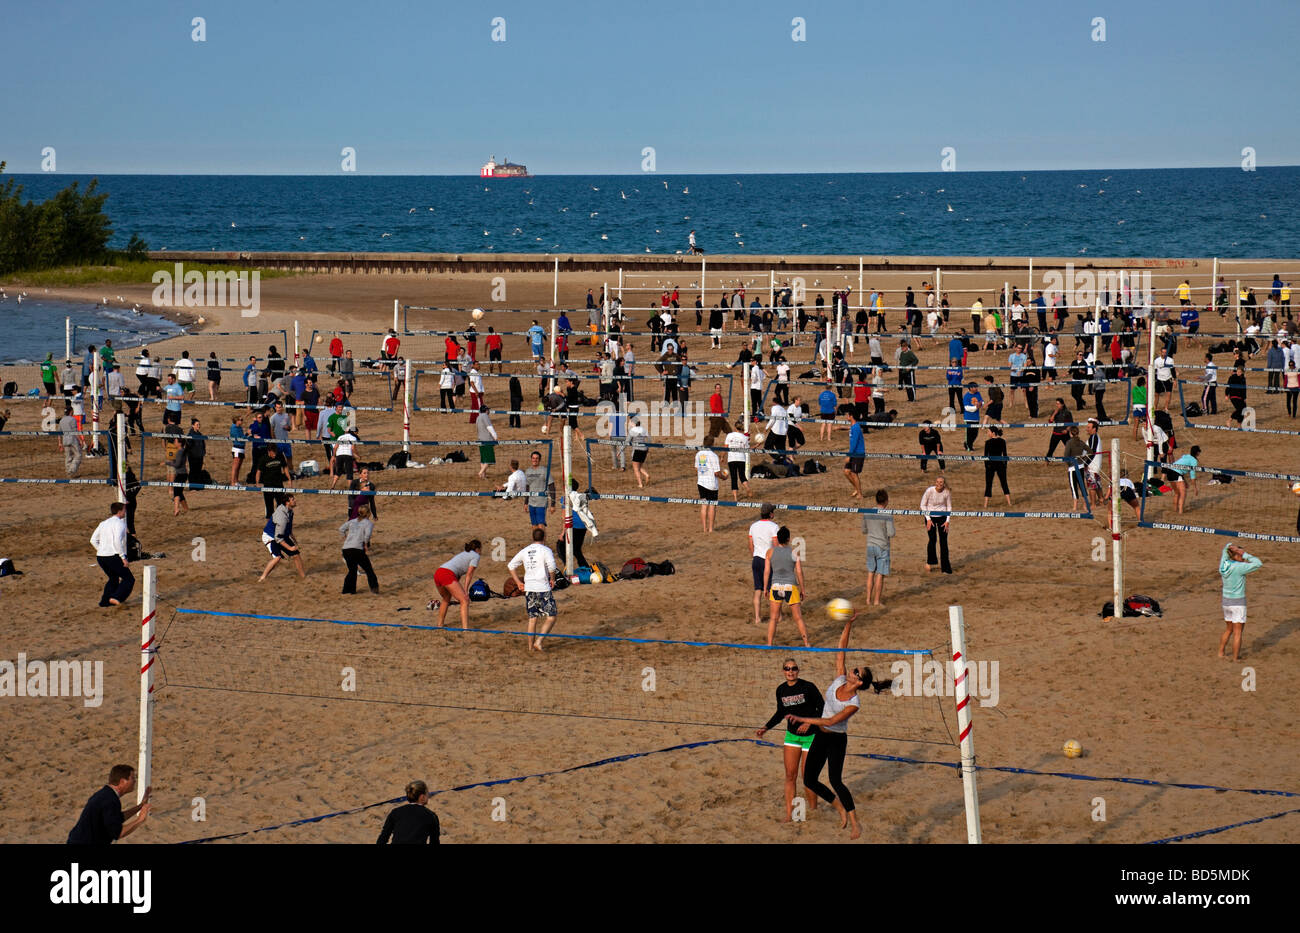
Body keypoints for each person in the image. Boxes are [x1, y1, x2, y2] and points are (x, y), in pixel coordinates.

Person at [784, 613, 871, 840]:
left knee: (836, 780)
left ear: (859, 682)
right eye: (854, 669)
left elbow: (831, 721)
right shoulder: (840, 679)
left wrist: (804, 720)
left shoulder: (854, 703)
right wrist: (848, 625)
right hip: (820, 737)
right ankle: (839, 808)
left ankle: (854, 823)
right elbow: (841, 649)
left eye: (856, 672)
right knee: (809, 779)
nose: (852, 670)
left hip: (835, 739)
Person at [755, 659, 823, 823]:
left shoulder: (808, 687)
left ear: (798, 671)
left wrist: (808, 722)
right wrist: (766, 727)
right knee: (790, 776)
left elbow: (822, 707)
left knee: (808, 778)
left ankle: (814, 811)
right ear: (783, 671)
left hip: (811, 736)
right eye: (787, 668)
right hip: (792, 736)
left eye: (793, 668)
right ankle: (789, 814)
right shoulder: (781, 690)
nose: (790, 671)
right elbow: (780, 712)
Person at [67, 763, 151, 844]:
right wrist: (140, 820)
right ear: (122, 781)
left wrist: (140, 806)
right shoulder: (110, 800)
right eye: (132, 778)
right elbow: (118, 833)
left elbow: (117, 818)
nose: (135, 781)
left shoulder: (106, 794)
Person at [508, 528, 559, 651]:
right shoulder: (546, 550)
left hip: (530, 588)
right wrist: (552, 579)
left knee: (532, 619)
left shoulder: (525, 551)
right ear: (544, 538)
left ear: (533, 537)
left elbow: (511, 565)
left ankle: (530, 648)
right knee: (552, 616)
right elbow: (552, 566)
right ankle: (539, 641)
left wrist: (518, 582)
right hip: (542, 587)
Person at [763, 527, 809, 648]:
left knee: (773, 618)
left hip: (776, 586)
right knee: (798, 618)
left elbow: (767, 572)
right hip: (790, 586)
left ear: (777, 539)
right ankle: (806, 643)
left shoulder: (770, 552)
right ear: (788, 539)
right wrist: (803, 590)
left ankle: (769, 644)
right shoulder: (794, 553)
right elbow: (799, 572)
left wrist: (765, 588)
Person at [1218, 544, 1263, 662]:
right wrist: (1245, 554)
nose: (1243, 557)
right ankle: (1235, 658)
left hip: (1226, 602)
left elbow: (1224, 551)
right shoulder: (1240, 567)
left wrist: (1231, 547)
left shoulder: (1224, 564)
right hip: (1238, 602)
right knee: (1238, 632)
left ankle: (1221, 652)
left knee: (1229, 629)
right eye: (1241, 555)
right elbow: (1258, 563)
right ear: (1236, 555)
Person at [90, 502, 134, 607]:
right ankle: (116, 597)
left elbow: (93, 540)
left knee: (113, 578)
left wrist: (101, 549)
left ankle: (105, 602)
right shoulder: (120, 524)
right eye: (124, 510)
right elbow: (117, 542)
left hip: (101, 557)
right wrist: (123, 557)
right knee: (129, 579)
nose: (125, 512)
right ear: (119, 511)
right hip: (113, 556)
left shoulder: (103, 523)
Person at [431, 540, 481, 630]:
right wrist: (465, 590)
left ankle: (439, 625)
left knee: (446, 598)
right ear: (477, 549)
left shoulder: (464, 553)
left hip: (438, 572)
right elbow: (469, 574)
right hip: (447, 574)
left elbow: (456, 573)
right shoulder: (476, 556)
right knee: (465, 600)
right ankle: (465, 629)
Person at [258, 493, 305, 581]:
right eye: (292, 499)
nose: (295, 501)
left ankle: (303, 576)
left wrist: (294, 540)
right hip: (270, 536)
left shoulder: (290, 511)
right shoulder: (282, 517)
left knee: (296, 555)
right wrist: (290, 548)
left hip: (281, 534)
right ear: (287, 503)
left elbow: (288, 528)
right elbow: (278, 538)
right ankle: (262, 577)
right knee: (277, 558)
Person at [748, 503, 781, 628]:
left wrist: (754, 555)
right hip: (769, 560)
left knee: (758, 590)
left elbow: (750, 544)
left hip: (756, 559)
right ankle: (778, 616)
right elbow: (776, 545)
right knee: (774, 589)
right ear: (771, 514)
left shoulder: (753, 526)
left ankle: (757, 618)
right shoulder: (774, 527)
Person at [376, 779, 439, 844]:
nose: (428, 796)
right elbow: (435, 841)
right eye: (427, 793)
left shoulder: (395, 812)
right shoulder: (431, 815)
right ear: (422, 797)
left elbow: (383, 838)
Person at [862, 489, 895, 605]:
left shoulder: (867, 512)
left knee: (870, 573)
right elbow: (891, 533)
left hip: (870, 546)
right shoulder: (887, 514)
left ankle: (867, 600)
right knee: (880, 574)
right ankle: (876, 601)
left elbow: (864, 530)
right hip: (882, 547)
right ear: (886, 501)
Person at [339, 504, 378, 594]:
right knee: (368, 569)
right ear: (368, 514)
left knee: (352, 570)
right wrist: (365, 544)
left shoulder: (352, 521)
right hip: (357, 549)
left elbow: (341, 529)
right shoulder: (368, 523)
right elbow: (367, 535)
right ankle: (374, 589)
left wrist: (344, 537)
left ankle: (348, 590)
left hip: (346, 549)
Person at [920, 474, 953, 574]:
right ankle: (930, 562)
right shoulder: (929, 490)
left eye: (941, 482)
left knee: (943, 542)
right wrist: (928, 519)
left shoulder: (946, 492)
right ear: (935, 483)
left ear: (944, 484)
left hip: (942, 517)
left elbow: (949, 507)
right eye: (937, 482)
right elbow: (922, 505)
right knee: (932, 539)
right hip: (930, 517)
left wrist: (947, 521)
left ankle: (946, 569)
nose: (939, 484)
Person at [254, 443, 291, 520]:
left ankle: (279, 521)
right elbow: (258, 472)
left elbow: (285, 467)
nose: (275, 454)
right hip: (268, 485)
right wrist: (257, 483)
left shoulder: (280, 455)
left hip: (279, 484)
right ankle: (269, 527)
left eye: (276, 452)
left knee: (281, 505)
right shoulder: (263, 459)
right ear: (269, 451)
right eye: (273, 452)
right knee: (269, 508)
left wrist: (289, 479)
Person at [694, 442, 724, 533]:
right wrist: (724, 477)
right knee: (712, 506)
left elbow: (696, 468)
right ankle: (711, 529)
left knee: (704, 505)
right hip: (711, 484)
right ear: (713, 444)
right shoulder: (713, 455)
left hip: (701, 482)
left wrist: (704, 471)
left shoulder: (699, 454)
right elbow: (717, 473)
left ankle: (704, 529)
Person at [567, 477, 598, 566]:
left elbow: (564, 517)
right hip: (584, 524)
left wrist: (563, 532)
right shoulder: (579, 496)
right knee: (576, 548)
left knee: (566, 547)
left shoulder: (566, 498)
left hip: (576, 525)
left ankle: (581, 567)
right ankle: (583, 566)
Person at [1163, 444, 1201, 515]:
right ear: (1197, 453)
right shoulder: (1194, 461)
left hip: (1170, 472)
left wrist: (1185, 482)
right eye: (1199, 452)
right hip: (1176, 473)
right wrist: (1195, 488)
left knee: (1177, 493)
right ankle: (1180, 512)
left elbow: (1180, 470)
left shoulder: (1186, 456)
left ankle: (1174, 510)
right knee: (1183, 494)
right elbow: (1192, 475)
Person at [982, 426, 1010, 507]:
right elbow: (1005, 455)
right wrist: (1005, 465)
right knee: (1003, 483)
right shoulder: (1002, 441)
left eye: (988, 432)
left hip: (992, 465)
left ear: (993, 433)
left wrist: (987, 466)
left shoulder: (988, 442)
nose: (987, 433)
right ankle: (1009, 503)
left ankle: (985, 505)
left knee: (989, 484)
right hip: (998, 465)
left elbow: (985, 457)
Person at [725, 420, 753, 500]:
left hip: (731, 459)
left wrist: (722, 456)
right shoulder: (744, 437)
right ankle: (747, 488)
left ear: (735, 427)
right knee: (742, 476)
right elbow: (748, 449)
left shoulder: (729, 435)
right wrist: (756, 446)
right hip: (741, 459)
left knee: (734, 478)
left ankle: (735, 498)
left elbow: (725, 447)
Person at [524, 449, 549, 531]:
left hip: (541, 502)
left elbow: (552, 485)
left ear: (539, 460)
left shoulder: (544, 470)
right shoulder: (528, 471)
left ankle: (543, 543)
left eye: (537, 458)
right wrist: (526, 503)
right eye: (533, 458)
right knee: (534, 526)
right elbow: (527, 488)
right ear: (531, 459)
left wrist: (552, 504)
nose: (535, 460)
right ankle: (536, 543)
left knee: (541, 526)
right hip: (531, 502)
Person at [843, 409, 865, 499]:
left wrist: (849, 455)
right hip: (853, 453)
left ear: (851, 416)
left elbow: (854, 443)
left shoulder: (855, 428)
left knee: (854, 473)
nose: (846, 416)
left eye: (847, 414)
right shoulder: (853, 426)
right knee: (846, 472)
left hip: (858, 454)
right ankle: (857, 489)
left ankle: (860, 494)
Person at [58, 405, 82, 478]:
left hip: (65, 440)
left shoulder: (61, 420)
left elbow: (59, 433)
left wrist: (60, 443)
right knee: (78, 456)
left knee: (68, 457)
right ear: (71, 412)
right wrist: (80, 440)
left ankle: (69, 472)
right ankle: (71, 470)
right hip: (73, 440)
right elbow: (75, 431)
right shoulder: (73, 419)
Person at [476, 404, 498, 480]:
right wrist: (495, 436)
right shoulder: (485, 416)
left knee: (483, 460)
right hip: (487, 441)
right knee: (489, 460)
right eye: (488, 410)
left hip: (480, 440)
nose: (489, 411)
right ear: (486, 410)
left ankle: (483, 476)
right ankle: (480, 472)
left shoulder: (478, 417)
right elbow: (489, 427)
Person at [628, 415, 650, 488]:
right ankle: (646, 475)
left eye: (631, 422)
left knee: (635, 468)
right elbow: (649, 439)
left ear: (634, 423)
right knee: (639, 466)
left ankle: (640, 484)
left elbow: (626, 441)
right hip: (644, 450)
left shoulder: (632, 430)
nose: (630, 423)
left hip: (637, 450)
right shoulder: (643, 429)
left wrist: (620, 451)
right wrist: (647, 448)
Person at [961, 381, 983, 451]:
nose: (976, 388)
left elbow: (982, 401)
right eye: (974, 387)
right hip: (968, 418)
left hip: (976, 418)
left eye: (976, 386)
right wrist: (976, 407)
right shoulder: (966, 396)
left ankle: (967, 443)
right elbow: (967, 408)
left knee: (975, 434)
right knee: (969, 434)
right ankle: (969, 447)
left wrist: (981, 404)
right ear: (970, 388)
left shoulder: (978, 393)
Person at [229, 414, 248, 487]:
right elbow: (239, 438)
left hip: (241, 447)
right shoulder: (234, 428)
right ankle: (232, 482)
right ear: (236, 421)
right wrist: (247, 434)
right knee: (235, 466)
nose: (242, 421)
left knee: (239, 466)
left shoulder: (239, 428)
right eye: (241, 420)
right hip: (237, 448)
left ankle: (236, 481)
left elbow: (242, 438)